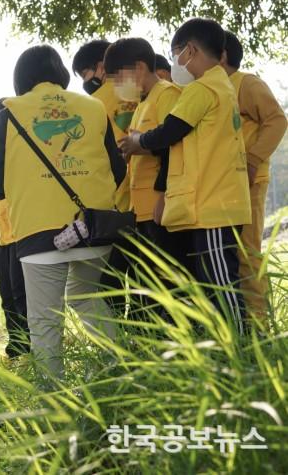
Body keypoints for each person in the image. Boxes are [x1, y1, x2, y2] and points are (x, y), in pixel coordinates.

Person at [0, 45, 126, 377]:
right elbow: (118, 169)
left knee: (44, 321)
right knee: (86, 297)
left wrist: (23, 191)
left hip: (38, 233)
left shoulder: (9, 113)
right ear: (60, 74)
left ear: (21, 78)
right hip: (94, 229)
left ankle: (53, 403)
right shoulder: (93, 108)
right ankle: (115, 374)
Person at [119, 18, 251, 335]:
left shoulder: (202, 88)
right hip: (215, 203)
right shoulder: (222, 86)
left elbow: (170, 130)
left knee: (222, 287)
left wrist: (138, 142)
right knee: (213, 285)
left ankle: (241, 350)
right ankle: (228, 349)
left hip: (213, 205)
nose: (176, 63)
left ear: (189, 51)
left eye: (176, 54)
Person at [100, 37, 193, 316]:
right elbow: (146, 144)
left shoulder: (167, 94)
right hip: (139, 211)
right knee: (144, 290)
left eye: (119, 78)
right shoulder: (143, 103)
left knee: (163, 290)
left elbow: (173, 147)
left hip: (159, 208)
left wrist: (163, 194)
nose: (117, 86)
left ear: (139, 67)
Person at [222, 30, 287, 324]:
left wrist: (252, 160)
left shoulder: (246, 83)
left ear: (220, 55)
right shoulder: (211, 88)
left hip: (248, 181)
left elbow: (277, 120)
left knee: (247, 254)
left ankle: (260, 325)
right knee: (228, 256)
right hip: (220, 185)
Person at [72, 39, 137, 215]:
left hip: (117, 197)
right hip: (151, 191)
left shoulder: (92, 105)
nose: (85, 81)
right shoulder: (141, 90)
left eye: (85, 73)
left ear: (101, 67)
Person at [0, 99, 31, 358]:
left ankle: (32, 350)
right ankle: (17, 348)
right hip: (3, 240)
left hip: (23, 235)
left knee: (22, 298)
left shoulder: (24, 149)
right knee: (7, 299)